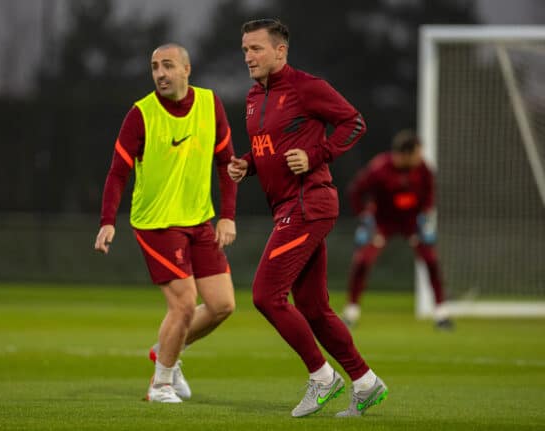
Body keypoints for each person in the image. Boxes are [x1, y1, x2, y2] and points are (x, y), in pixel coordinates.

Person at [228, 18, 387, 418]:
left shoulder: (306, 87)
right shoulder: (252, 97)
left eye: (256, 49)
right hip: (288, 208)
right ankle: (365, 383)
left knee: (266, 295)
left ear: (280, 51)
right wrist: (246, 165)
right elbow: (270, 150)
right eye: (245, 49)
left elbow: (355, 122)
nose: (248, 56)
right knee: (314, 308)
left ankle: (322, 377)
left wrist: (318, 155)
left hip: (308, 206)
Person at [94, 43, 237, 403]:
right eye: (155, 67)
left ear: (187, 70)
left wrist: (227, 216)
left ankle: (167, 351)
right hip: (156, 223)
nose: (160, 73)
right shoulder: (140, 114)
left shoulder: (210, 104)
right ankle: (160, 385)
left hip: (199, 220)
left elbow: (227, 164)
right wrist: (107, 221)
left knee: (222, 306)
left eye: (168, 65)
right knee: (185, 304)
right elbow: (117, 172)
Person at [342, 129, 453, 329]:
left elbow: (429, 194)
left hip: (411, 223)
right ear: (405, 154)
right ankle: (351, 312)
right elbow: (356, 190)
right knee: (363, 261)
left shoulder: (423, 169)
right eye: (417, 153)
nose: (421, 157)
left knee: (431, 260)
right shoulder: (379, 169)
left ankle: (441, 314)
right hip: (383, 222)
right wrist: (365, 216)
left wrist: (425, 215)